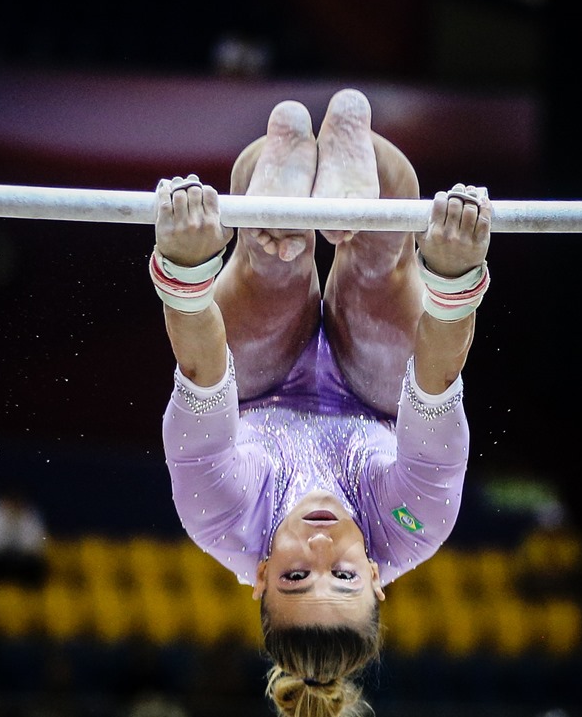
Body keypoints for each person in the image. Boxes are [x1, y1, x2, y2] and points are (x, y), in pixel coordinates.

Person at [156, 88, 491, 717]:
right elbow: (437, 382)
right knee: (381, 278)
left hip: (258, 381)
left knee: (271, 275)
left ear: (258, 579)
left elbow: (202, 374)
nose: (320, 553)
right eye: (342, 576)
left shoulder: (220, 518)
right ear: (376, 583)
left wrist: (186, 270)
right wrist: (452, 283)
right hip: (377, 391)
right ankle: (363, 210)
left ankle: (274, 226)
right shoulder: (413, 527)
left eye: (293, 578)